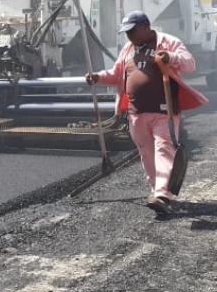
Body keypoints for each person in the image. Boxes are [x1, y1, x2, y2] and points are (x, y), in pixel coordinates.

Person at [86, 12, 208, 212]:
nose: (129, 36)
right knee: (146, 152)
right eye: (127, 32)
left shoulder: (167, 42)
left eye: (132, 31)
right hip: (136, 113)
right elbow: (116, 74)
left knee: (164, 148)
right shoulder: (128, 49)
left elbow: (190, 63)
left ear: (145, 27)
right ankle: (156, 190)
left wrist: (170, 57)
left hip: (164, 110)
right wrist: (98, 77)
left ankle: (162, 194)